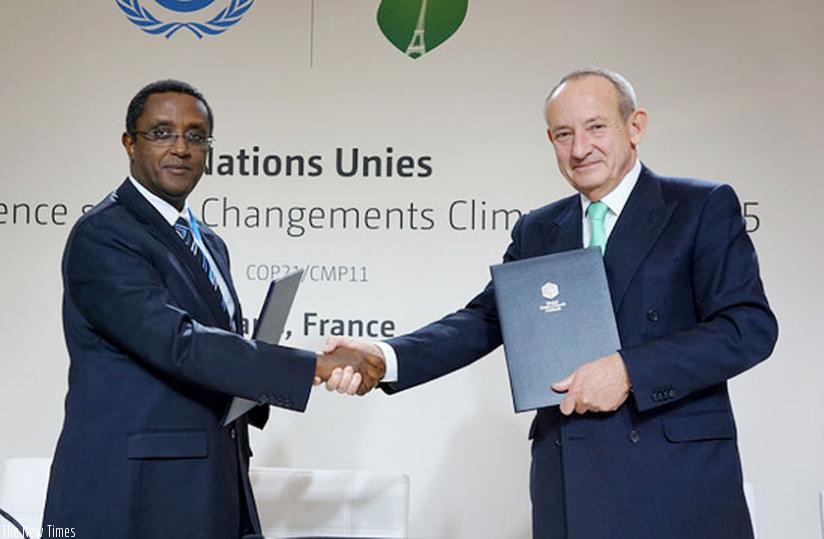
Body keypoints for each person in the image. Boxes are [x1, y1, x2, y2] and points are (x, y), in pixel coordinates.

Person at [324, 68, 778, 538]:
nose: (580, 149)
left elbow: (747, 326)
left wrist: (629, 371)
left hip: (679, 480)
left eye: (596, 127)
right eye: (564, 134)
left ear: (635, 126)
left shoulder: (700, 207)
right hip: (570, 476)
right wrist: (386, 357)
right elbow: (484, 320)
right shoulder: (538, 230)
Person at [41, 80, 382, 539]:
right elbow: (178, 343)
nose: (181, 147)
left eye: (196, 135)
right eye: (161, 133)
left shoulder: (209, 243)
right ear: (129, 143)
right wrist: (315, 366)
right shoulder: (104, 235)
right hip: (133, 494)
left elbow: (213, 353)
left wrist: (254, 378)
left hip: (212, 481)